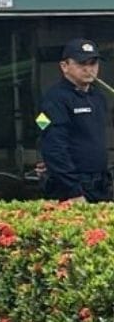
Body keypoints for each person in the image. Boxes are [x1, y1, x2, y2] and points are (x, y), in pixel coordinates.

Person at [37, 38, 111, 203]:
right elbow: (54, 148)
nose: (88, 69)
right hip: (72, 188)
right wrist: (73, 191)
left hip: (100, 185)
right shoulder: (54, 99)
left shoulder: (98, 97)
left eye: (93, 63)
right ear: (64, 66)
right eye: (81, 63)